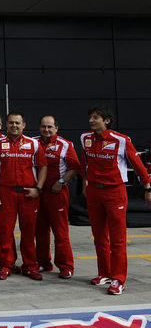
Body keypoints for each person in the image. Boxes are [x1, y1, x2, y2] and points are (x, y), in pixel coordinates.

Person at [79, 106, 151, 296]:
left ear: (107, 121)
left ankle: (118, 279)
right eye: (90, 117)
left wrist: (147, 188)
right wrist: (85, 183)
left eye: (96, 118)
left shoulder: (121, 140)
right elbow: (84, 163)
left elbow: (138, 165)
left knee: (117, 239)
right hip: (94, 191)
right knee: (99, 236)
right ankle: (104, 273)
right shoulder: (85, 138)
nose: (91, 121)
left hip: (115, 193)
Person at [0, 112, 46, 281]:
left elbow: (43, 167)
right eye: (11, 123)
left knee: (28, 232)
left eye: (17, 123)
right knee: (5, 231)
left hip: (29, 193)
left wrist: (38, 189)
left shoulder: (33, 144)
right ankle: (6, 265)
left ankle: (30, 266)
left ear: (24, 125)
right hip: (6, 192)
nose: (14, 126)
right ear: (6, 124)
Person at [36, 115, 80, 279]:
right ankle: (43, 262)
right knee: (40, 231)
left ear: (56, 128)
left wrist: (61, 181)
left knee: (60, 232)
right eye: (43, 127)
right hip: (38, 193)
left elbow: (75, 167)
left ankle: (66, 266)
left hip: (57, 193)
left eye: (49, 127)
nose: (46, 130)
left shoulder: (65, 144)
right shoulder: (32, 142)